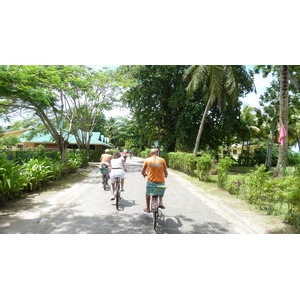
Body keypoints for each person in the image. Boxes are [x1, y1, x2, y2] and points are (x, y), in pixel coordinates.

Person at [141, 148, 168, 213]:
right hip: (161, 182)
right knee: (160, 191)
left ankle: (148, 208)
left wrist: (144, 174)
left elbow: (142, 172)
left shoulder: (147, 160)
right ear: (157, 153)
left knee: (147, 194)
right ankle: (160, 202)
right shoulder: (162, 160)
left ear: (151, 154)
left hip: (151, 182)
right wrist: (166, 175)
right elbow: (166, 172)